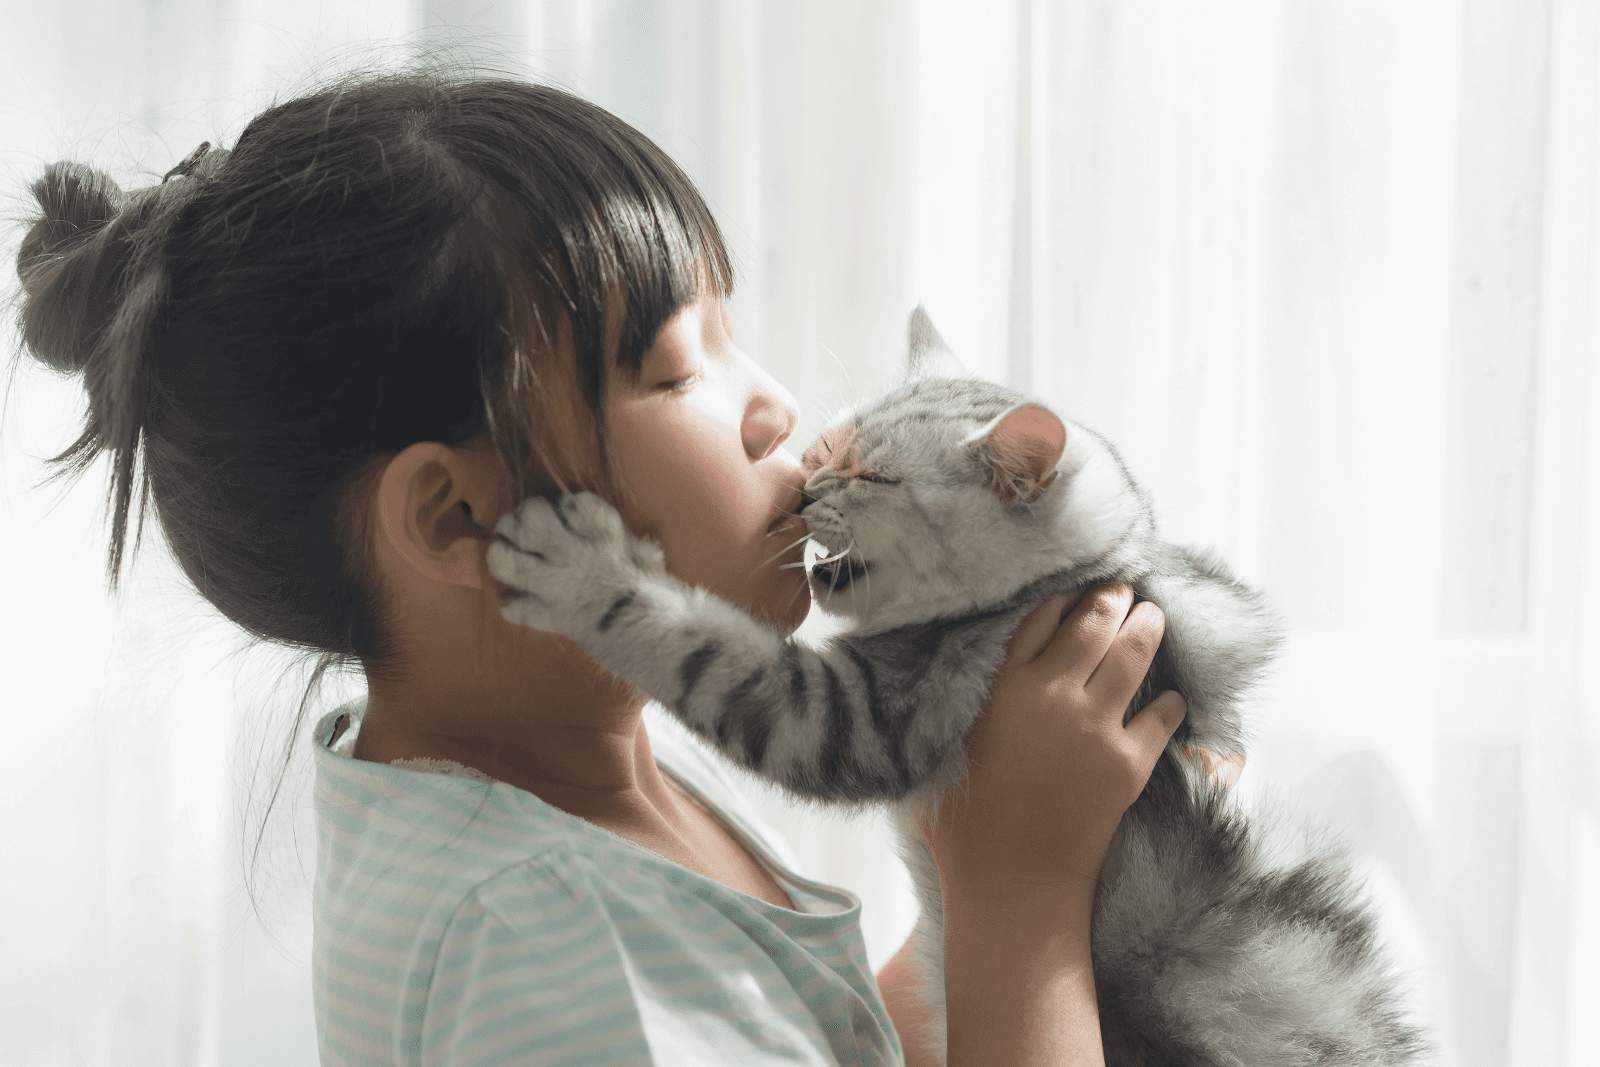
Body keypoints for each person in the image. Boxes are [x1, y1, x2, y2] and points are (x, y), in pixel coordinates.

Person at [12, 63, 1240, 1066]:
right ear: (452, 519)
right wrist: (1023, 915)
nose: (777, 409)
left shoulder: (582, 776)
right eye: (675, 367)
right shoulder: (551, 930)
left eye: (732, 330)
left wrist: (1026, 864)